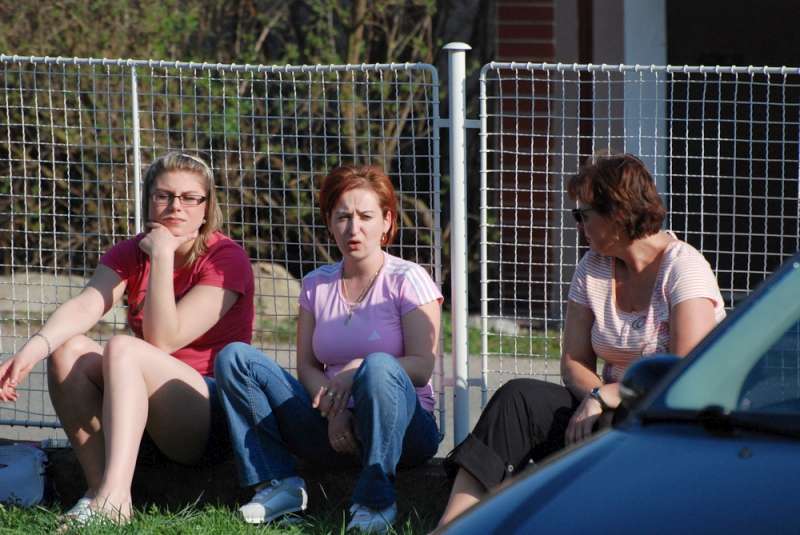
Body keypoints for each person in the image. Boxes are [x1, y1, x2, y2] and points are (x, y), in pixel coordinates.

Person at [437, 153, 727, 526]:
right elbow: (574, 361)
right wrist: (596, 397)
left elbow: (685, 375)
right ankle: (454, 525)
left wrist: (608, 397)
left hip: (670, 423)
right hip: (607, 405)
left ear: (617, 213)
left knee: (611, 428)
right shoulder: (593, 265)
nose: (578, 225)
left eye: (583, 214)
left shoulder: (684, 268)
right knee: (518, 398)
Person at [0, 152, 255, 523]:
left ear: (206, 208)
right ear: (148, 200)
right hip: (143, 408)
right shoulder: (131, 252)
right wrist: (31, 351)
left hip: (208, 414)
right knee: (68, 349)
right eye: (163, 195)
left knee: (123, 348)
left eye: (189, 198)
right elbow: (87, 305)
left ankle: (116, 498)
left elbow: (163, 340)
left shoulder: (225, 259)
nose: (175, 206)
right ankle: (97, 492)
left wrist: (162, 257)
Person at [214, 164, 442, 533]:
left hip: (404, 431)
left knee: (379, 366)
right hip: (330, 426)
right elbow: (307, 366)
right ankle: (279, 485)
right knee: (235, 358)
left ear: (386, 221)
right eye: (343, 217)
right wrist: (334, 410)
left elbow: (421, 367)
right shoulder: (315, 284)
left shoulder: (408, 278)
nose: (354, 228)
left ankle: (375, 502)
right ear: (330, 222)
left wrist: (357, 370)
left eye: (365, 216)